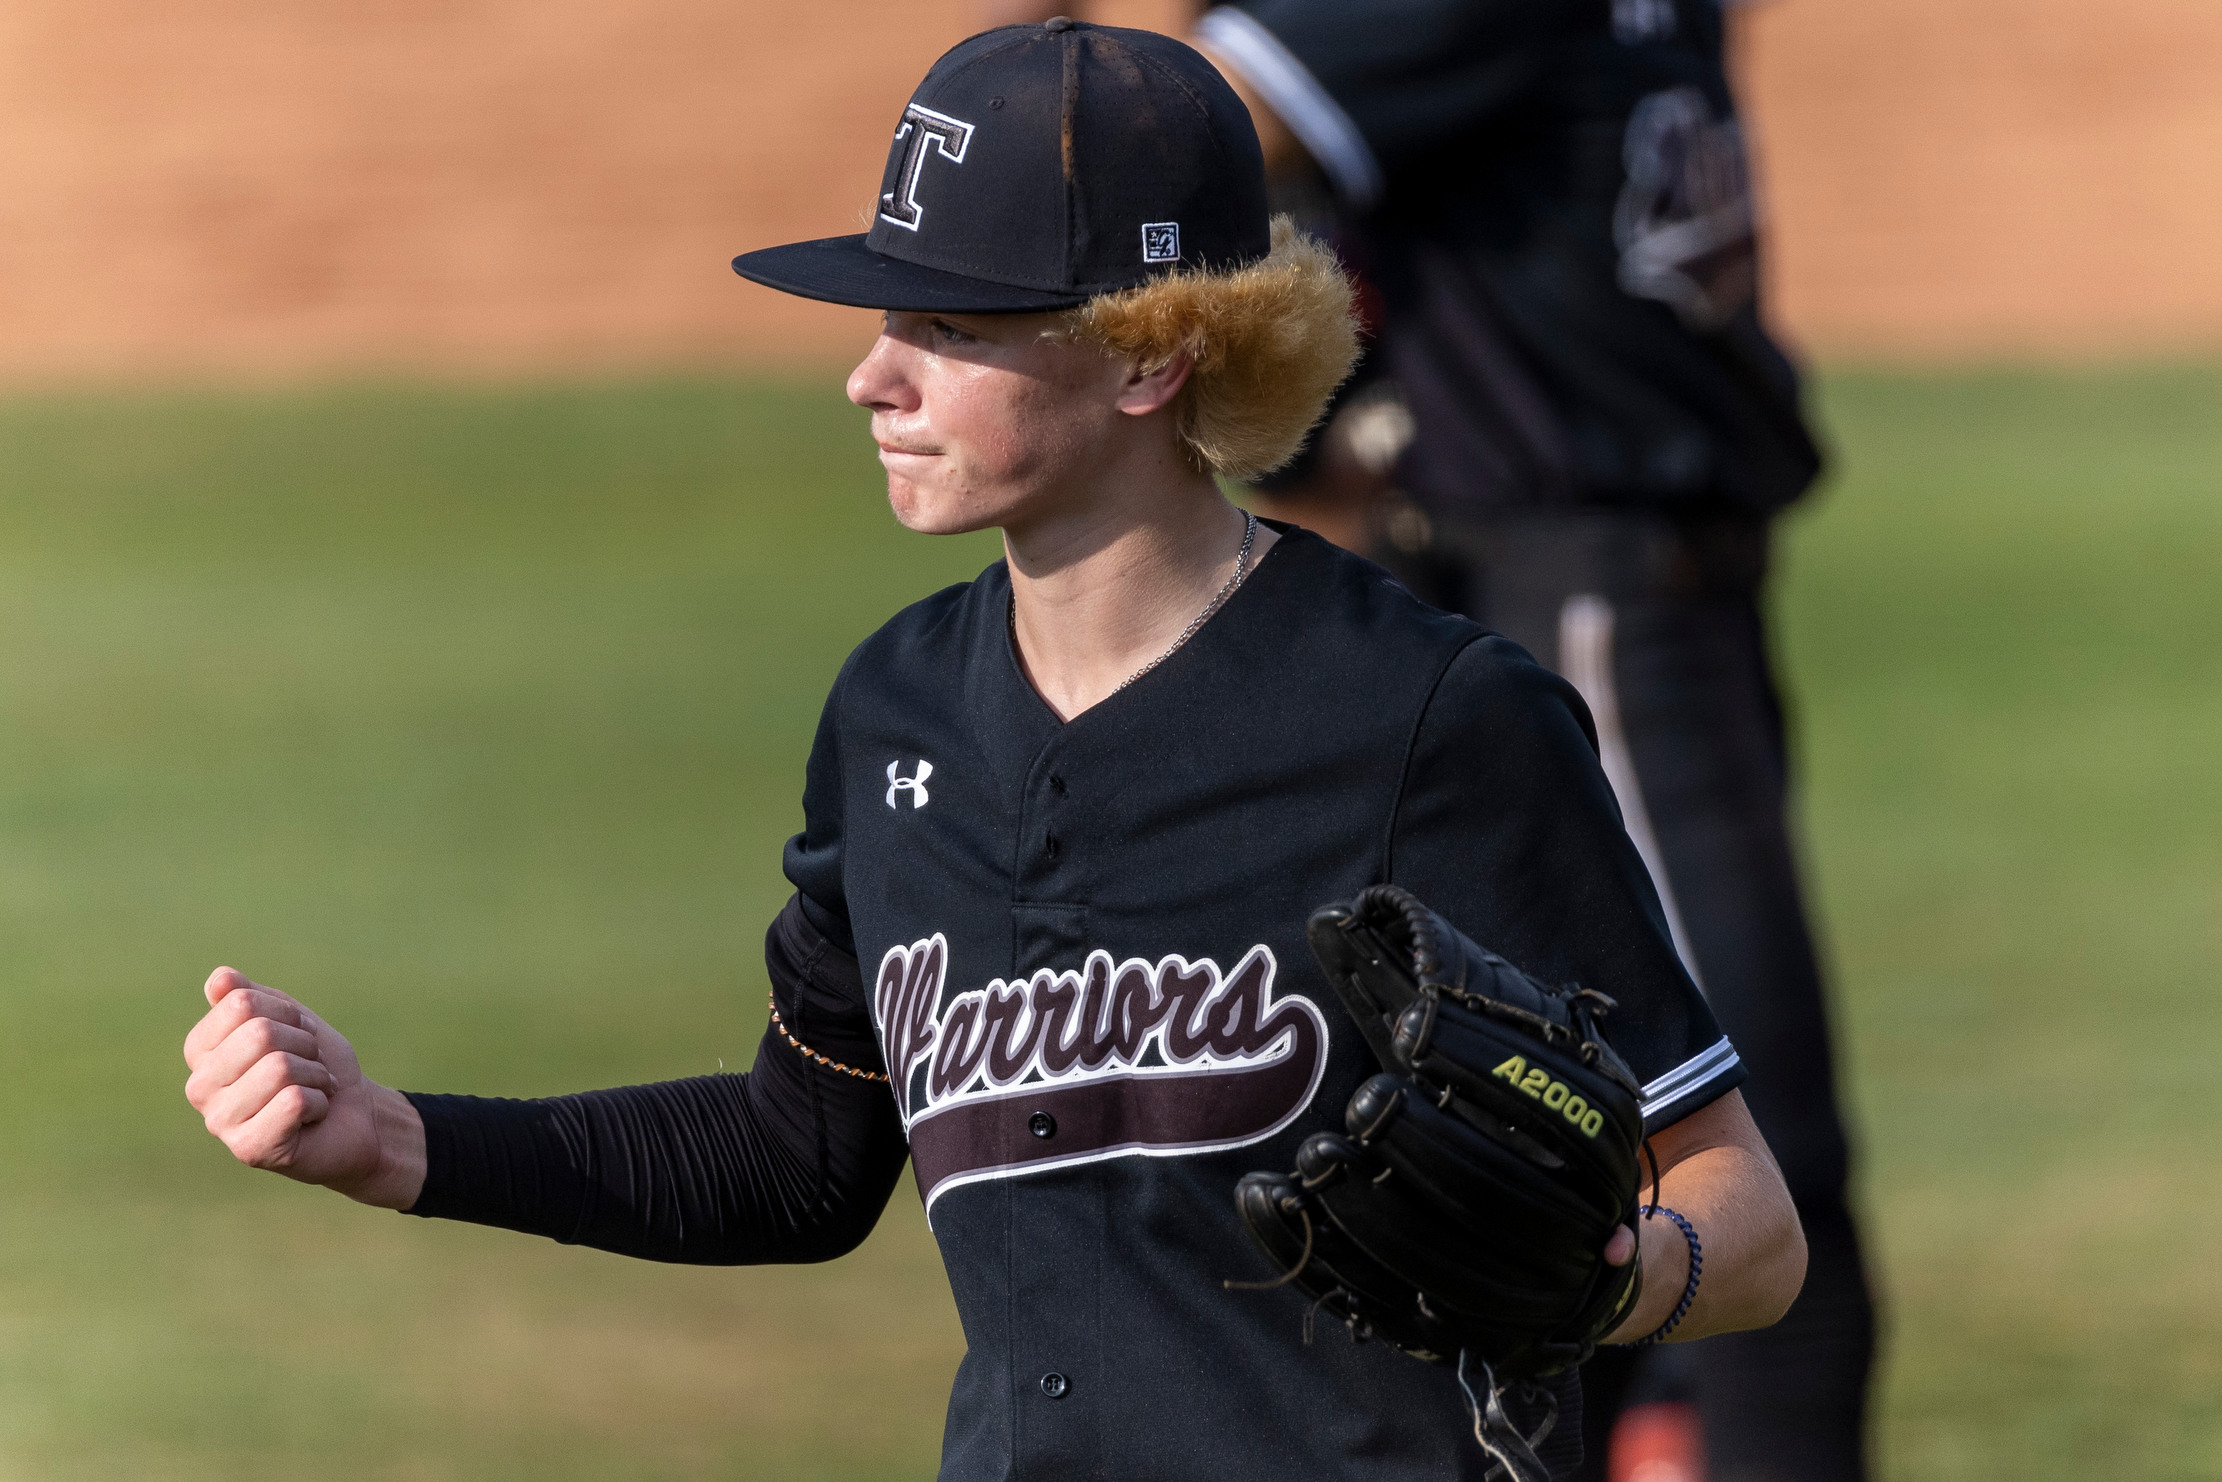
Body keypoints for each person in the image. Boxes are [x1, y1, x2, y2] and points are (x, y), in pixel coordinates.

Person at [181, 21, 1805, 1481]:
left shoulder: (1430, 716)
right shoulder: (896, 713)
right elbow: (796, 1158)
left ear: (1151, 352)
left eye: (949, 322)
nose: (869, 375)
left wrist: (1610, 1279)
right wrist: (396, 1139)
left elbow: (1745, 1214)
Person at [986, 4, 1880, 1478]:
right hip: (1580, 584)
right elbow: (1153, 130)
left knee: (1595, 1136)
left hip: (1652, 582)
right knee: (1736, 1152)